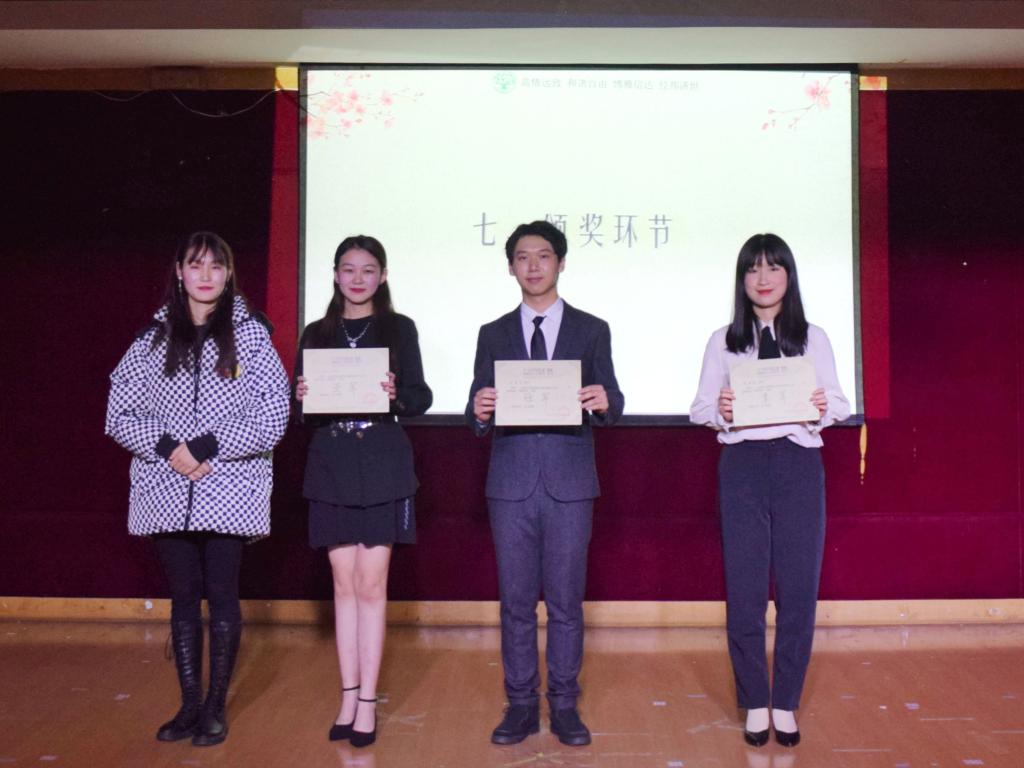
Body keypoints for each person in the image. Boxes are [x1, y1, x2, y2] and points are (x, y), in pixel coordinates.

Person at [105, 231, 290, 747]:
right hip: (166, 485)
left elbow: (273, 415)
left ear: (229, 275)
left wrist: (206, 446)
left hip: (227, 485)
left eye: (216, 266)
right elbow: (119, 412)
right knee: (183, 596)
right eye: (195, 265)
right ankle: (189, 703)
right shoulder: (152, 338)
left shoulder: (251, 335)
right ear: (179, 272)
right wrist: (170, 448)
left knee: (222, 594)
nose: (205, 275)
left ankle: (215, 707)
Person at [467, 220, 624, 747]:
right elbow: (477, 407)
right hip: (510, 483)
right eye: (522, 257)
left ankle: (563, 704)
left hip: (570, 483)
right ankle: (519, 705)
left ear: (561, 263)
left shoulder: (592, 329)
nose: (533, 266)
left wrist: (604, 402)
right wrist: (479, 409)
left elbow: (613, 400)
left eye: (543, 256)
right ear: (510, 267)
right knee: (515, 603)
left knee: (565, 602)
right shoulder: (492, 333)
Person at [690, 233, 850, 748]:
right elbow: (700, 408)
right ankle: (755, 701)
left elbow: (840, 404)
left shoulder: (813, 338)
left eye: (773, 268)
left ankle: (786, 703)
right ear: (741, 280)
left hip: (798, 464)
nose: (763, 279)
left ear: (789, 276)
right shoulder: (723, 340)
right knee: (746, 589)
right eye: (753, 269)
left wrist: (822, 405)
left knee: (799, 589)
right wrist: (723, 409)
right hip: (742, 465)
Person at [294, 235, 432, 748]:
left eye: (368, 269)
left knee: (372, 585)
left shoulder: (400, 328)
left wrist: (397, 393)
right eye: (348, 269)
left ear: (383, 276)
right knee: (343, 584)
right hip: (330, 463)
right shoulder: (316, 333)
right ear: (334, 275)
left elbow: (420, 396)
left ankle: (369, 701)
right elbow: (301, 411)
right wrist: (301, 396)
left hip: (382, 463)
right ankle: (348, 696)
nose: (358, 278)